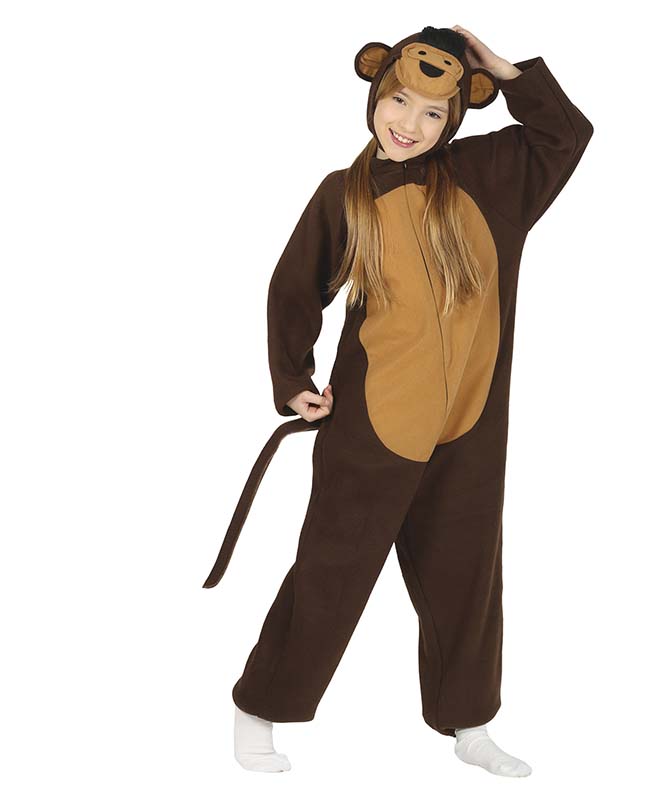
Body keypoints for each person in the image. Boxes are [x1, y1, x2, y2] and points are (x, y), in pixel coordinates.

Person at [204, 24, 593, 778]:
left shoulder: (491, 177)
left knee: (467, 576)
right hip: (371, 426)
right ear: (377, 91)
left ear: (457, 117)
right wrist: (294, 382)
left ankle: (469, 723)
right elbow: (294, 289)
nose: (409, 123)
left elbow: (565, 135)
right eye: (400, 101)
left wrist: (508, 71)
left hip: (469, 426)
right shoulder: (345, 194)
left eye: (433, 112)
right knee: (332, 571)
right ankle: (260, 706)